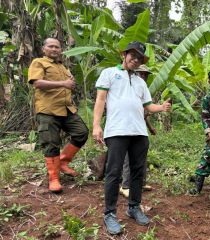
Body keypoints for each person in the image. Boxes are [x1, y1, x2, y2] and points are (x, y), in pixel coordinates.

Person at [93, 41, 171, 235]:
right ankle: (110, 213)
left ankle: (133, 207)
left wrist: (161, 107)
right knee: (114, 172)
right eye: (132, 56)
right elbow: (100, 100)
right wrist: (96, 125)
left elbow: (148, 106)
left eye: (138, 58)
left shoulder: (140, 82)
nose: (135, 60)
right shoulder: (109, 73)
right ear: (125, 55)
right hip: (117, 131)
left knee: (137, 172)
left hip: (139, 133)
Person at [28, 38, 89, 193]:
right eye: (51, 46)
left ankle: (63, 162)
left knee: (81, 132)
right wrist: (63, 84)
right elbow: (37, 83)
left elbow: (69, 86)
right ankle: (54, 178)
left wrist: (71, 84)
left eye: (57, 47)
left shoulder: (63, 67)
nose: (55, 49)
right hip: (48, 109)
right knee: (51, 143)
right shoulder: (39, 62)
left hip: (67, 109)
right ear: (44, 48)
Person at [119, 64, 156, 198]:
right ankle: (125, 186)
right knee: (129, 159)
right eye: (141, 74)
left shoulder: (142, 88)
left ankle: (140, 183)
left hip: (140, 130)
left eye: (146, 74)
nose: (144, 76)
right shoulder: (128, 87)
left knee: (142, 158)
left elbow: (144, 113)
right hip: (127, 128)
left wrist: (151, 128)